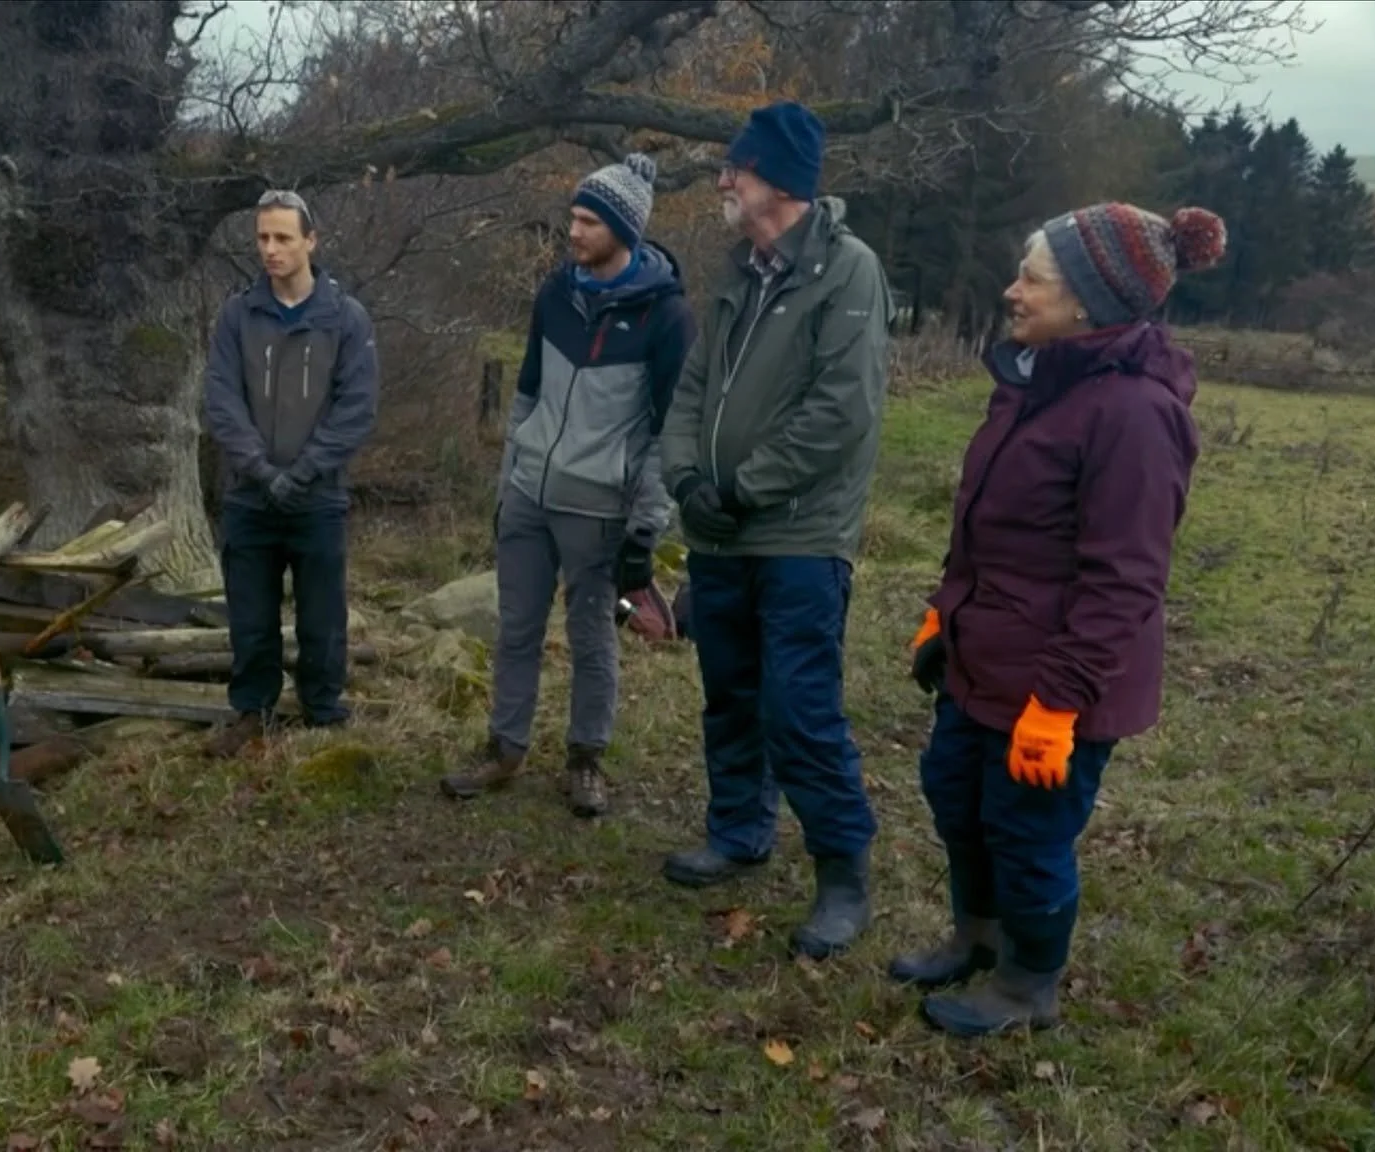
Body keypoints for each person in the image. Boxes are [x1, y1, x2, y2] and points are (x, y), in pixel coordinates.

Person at [893, 202, 1224, 1036]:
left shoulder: (1135, 417)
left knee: (1026, 831)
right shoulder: (1033, 383)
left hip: (1054, 684)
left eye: (1031, 278)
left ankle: (1026, 986)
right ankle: (978, 937)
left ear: (1086, 301)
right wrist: (945, 612)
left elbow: (1125, 583)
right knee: (955, 797)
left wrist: (1059, 706)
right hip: (984, 655)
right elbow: (985, 527)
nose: (1012, 290)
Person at [656, 100, 894, 960]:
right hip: (721, 535)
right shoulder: (736, 273)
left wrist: (745, 488)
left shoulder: (848, 271)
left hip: (797, 536)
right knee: (731, 693)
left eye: (738, 169)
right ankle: (738, 832)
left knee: (800, 710)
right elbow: (690, 391)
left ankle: (842, 875)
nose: (723, 180)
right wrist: (686, 477)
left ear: (781, 183)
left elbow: (842, 412)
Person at [439, 153, 694, 818]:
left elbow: (669, 434)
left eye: (586, 221)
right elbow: (525, 395)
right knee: (515, 628)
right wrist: (507, 487)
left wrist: (645, 528)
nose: (573, 232)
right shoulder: (556, 294)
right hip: (529, 494)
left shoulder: (666, 318)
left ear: (623, 229)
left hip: (599, 509)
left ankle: (586, 760)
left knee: (591, 636)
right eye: (572, 218)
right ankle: (504, 748)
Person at [201, 189, 379, 758]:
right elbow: (221, 400)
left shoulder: (345, 319)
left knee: (322, 614)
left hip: (317, 496)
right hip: (250, 497)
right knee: (250, 615)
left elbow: (357, 408)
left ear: (310, 241)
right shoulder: (238, 314)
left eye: (282, 238)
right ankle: (252, 710)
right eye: (262, 238)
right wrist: (258, 470)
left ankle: (322, 710)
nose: (271, 250)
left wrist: (302, 474)